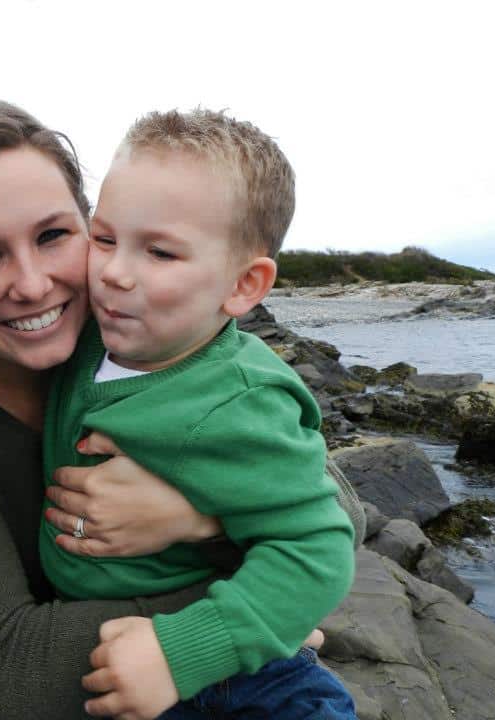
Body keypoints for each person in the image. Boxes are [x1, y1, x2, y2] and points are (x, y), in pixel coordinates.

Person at [0, 102, 351, 720]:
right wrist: (237, 624)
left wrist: (197, 515)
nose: (34, 284)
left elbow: (333, 513)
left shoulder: (143, 339)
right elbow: (4, 675)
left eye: (55, 236)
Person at [40, 109, 358, 720]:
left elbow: (318, 550)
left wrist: (186, 653)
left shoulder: (239, 400)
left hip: (240, 677)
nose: (114, 273)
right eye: (103, 238)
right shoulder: (84, 339)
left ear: (243, 285)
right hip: (108, 646)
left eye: (160, 252)